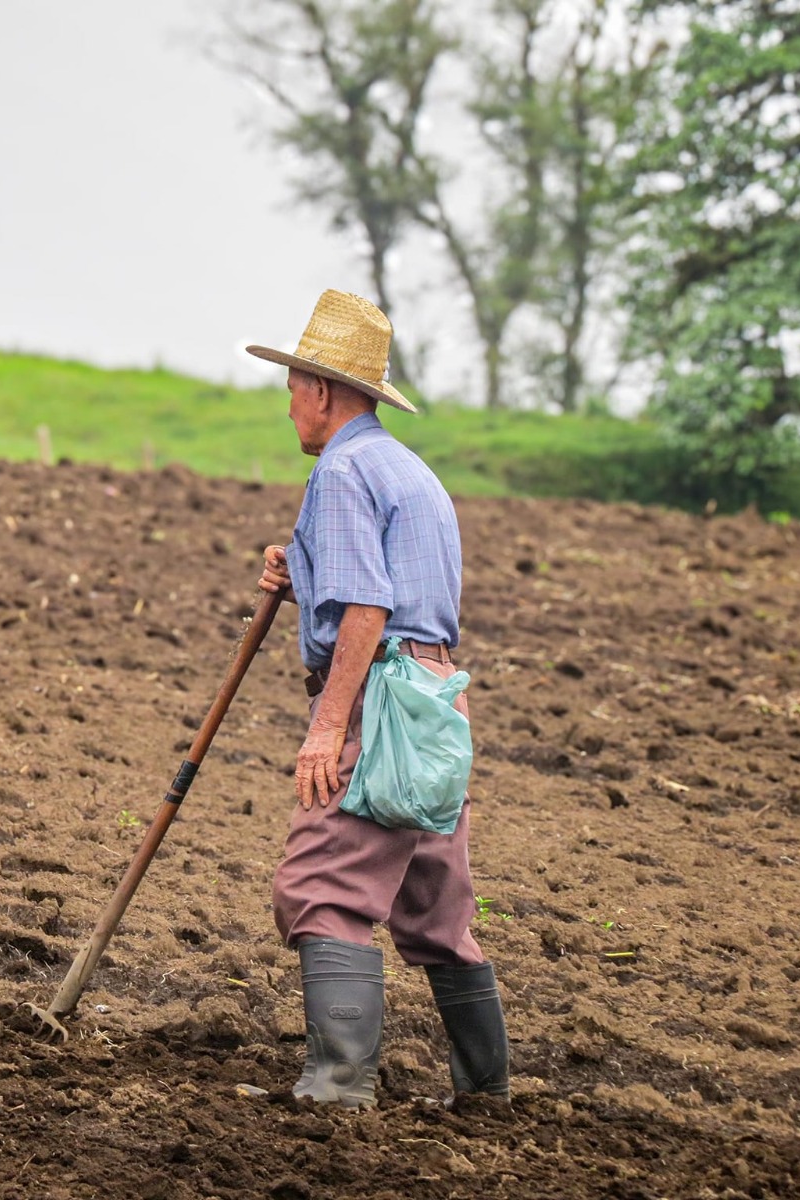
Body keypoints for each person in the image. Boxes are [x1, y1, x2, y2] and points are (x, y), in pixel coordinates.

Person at [247, 290, 509, 1109]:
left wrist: (328, 729)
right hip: (439, 704)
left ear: (322, 391)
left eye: (293, 387)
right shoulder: (411, 472)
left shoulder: (342, 470)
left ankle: (336, 1090)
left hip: (380, 705)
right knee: (434, 907)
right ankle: (485, 1092)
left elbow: (368, 609)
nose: (289, 404)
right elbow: (393, 594)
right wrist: (304, 576)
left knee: (322, 888)